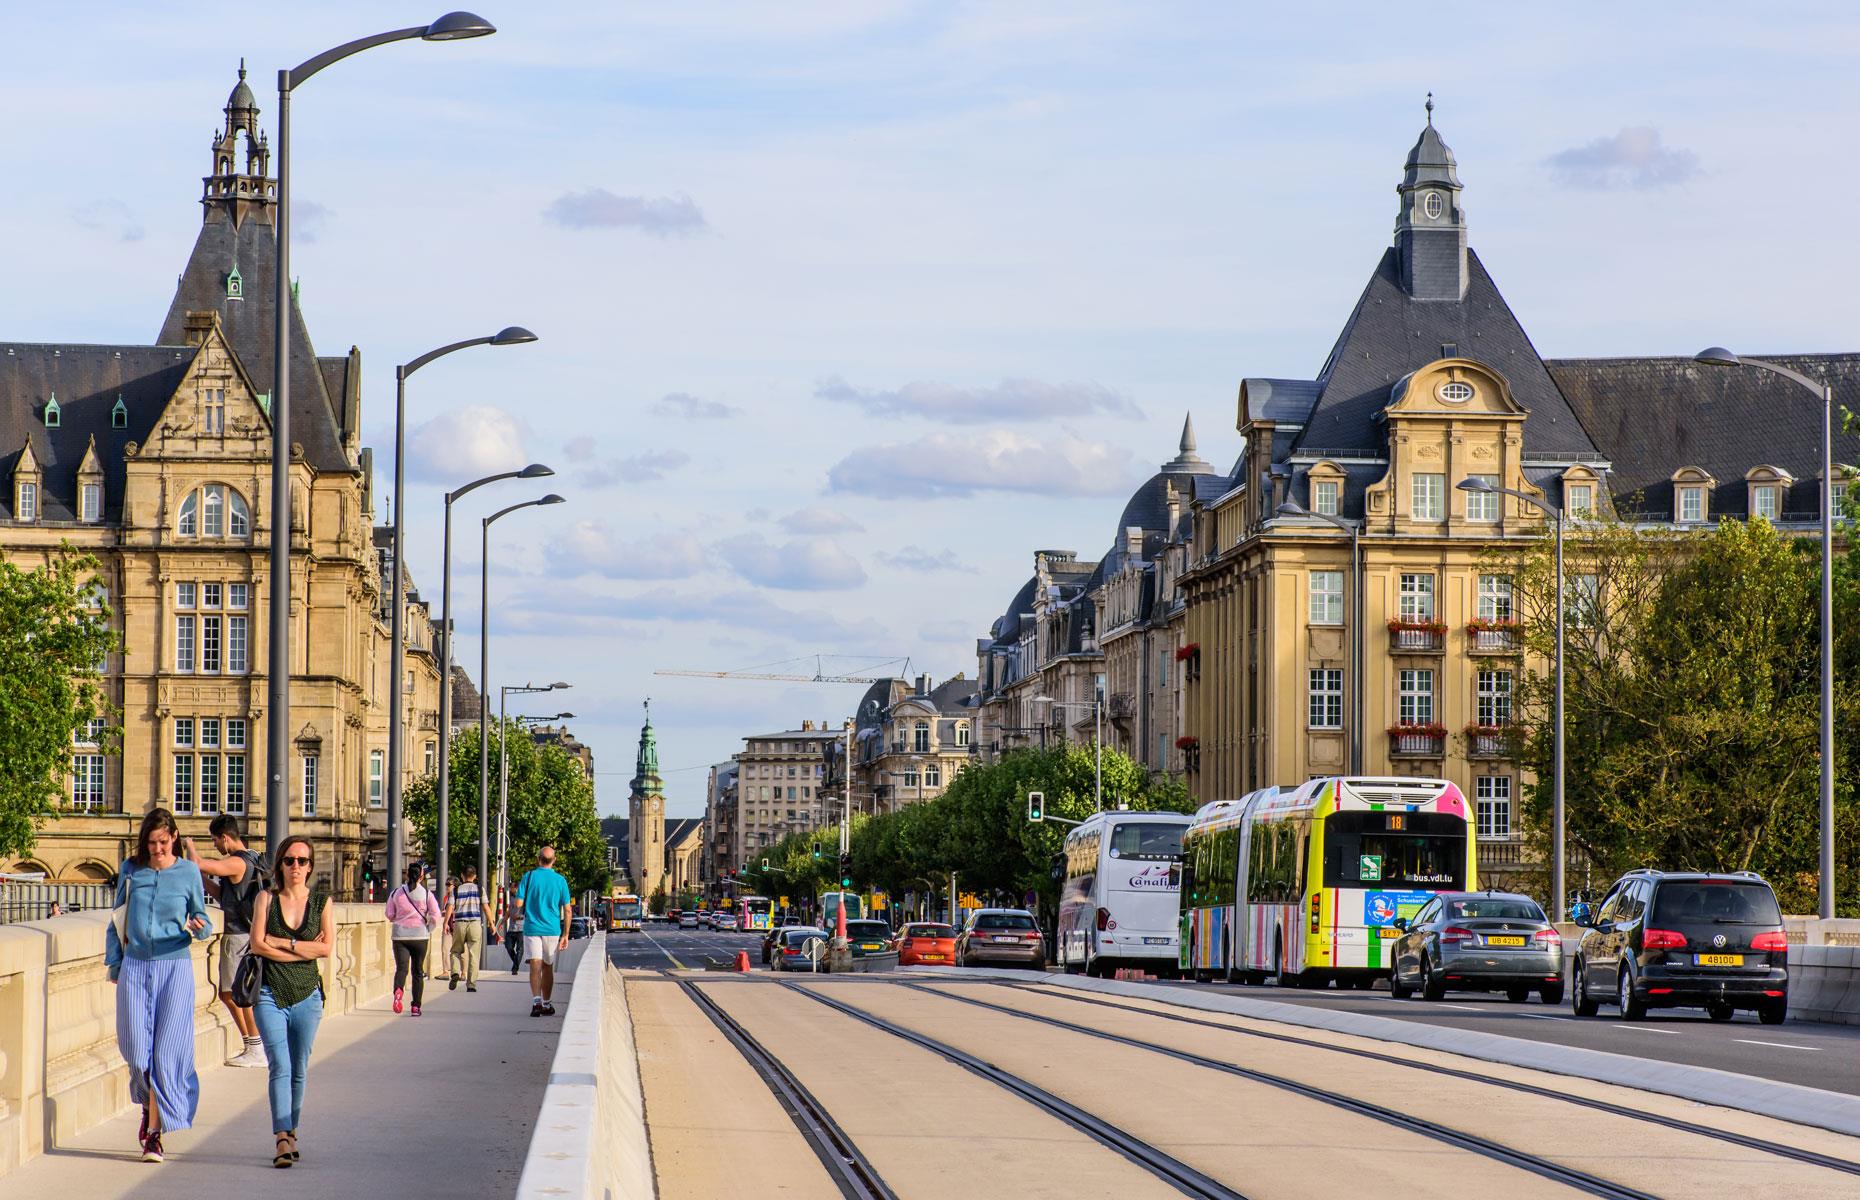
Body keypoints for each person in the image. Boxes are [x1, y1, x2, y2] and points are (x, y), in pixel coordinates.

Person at [105, 807, 211, 1164]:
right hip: (135, 965)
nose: (157, 850)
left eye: (163, 842)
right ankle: (151, 1106)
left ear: (174, 838)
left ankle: (154, 1134)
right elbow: (116, 920)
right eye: (151, 843)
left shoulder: (188, 873)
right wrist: (115, 964)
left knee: (166, 1054)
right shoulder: (131, 870)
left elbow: (204, 920)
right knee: (136, 1051)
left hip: (175, 967)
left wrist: (200, 926)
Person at [248, 835, 331, 1168]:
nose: (296, 866)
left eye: (303, 861)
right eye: (290, 860)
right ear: (280, 863)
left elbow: (326, 949)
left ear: (310, 866)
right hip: (269, 993)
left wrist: (284, 944)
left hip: (308, 996)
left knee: (299, 1069)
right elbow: (257, 944)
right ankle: (282, 1137)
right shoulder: (265, 900)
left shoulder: (322, 902)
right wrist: (303, 947)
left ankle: (292, 1132)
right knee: (280, 1065)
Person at [183, 815, 269, 1067]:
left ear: (225, 838)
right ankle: (253, 1044)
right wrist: (202, 882)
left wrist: (189, 846)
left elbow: (197, 863)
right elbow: (225, 896)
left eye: (215, 841)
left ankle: (254, 1045)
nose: (216, 847)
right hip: (246, 933)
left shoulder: (237, 863)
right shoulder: (252, 858)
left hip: (238, 935)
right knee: (235, 993)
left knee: (233, 994)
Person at [513, 846, 572, 1017]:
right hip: (552, 930)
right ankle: (547, 1003)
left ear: (538, 859)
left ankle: (536, 1002)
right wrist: (566, 935)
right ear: (554, 860)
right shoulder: (560, 880)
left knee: (534, 965)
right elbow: (567, 910)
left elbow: (518, 904)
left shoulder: (529, 876)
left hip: (532, 928)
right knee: (547, 967)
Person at [384, 862, 440, 1015]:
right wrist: (429, 928)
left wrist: (399, 918)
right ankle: (416, 1006)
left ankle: (398, 991)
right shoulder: (427, 894)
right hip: (420, 937)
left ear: (407, 875)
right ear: (421, 877)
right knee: (417, 971)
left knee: (401, 969)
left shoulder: (396, 893)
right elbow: (436, 915)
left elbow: (389, 914)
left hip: (400, 936)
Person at [445, 865, 485, 992]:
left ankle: (455, 972)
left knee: (455, 951)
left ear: (462, 875)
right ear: (475, 876)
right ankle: (471, 984)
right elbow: (486, 907)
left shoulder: (456, 890)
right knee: (474, 955)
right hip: (475, 924)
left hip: (460, 924)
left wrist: (445, 922)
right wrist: (492, 923)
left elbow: (450, 907)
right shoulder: (480, 889)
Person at [503, 899, 524, 975]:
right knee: (508, 946)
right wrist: (502, 922)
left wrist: (519, 917)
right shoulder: (512, 899)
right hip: (511, 929)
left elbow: (528, 913)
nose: (512, 888)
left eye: (514, 886)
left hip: (521, 929)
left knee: (520, 949)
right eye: (510, 886)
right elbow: (509, 912)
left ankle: (515, 968)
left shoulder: (524, 899)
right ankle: (516, 961)